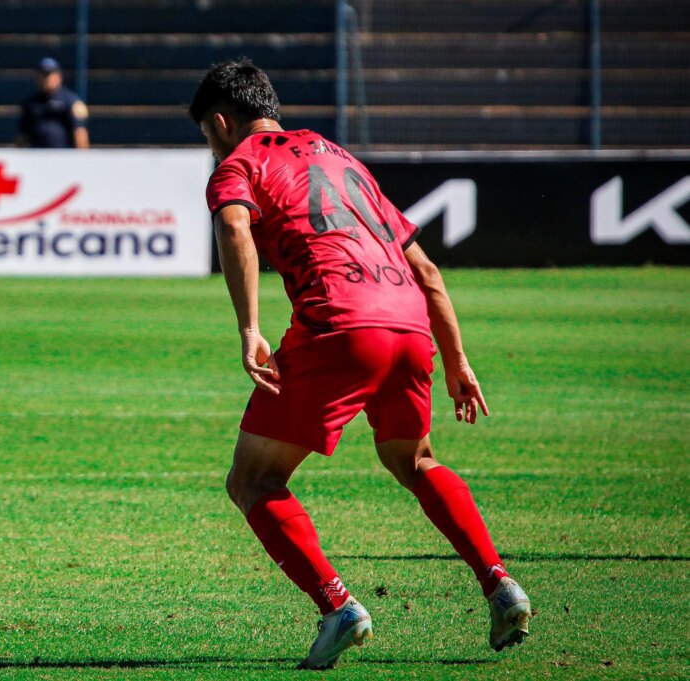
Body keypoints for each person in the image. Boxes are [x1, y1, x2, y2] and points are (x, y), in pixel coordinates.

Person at [190, 59, 530, 670]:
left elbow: (236, 227)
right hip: (409, 325)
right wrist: (457, 358)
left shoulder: (238, 164)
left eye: (207, 136)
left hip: (340, 325)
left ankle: (339, 606)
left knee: (253, 481)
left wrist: (248, 328)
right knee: (416, 459)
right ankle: (500, 583)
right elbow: (425, 269)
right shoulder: (340, 158)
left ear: (220, 121)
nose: (210, 149)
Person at [17, 57, 89, 149]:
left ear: (59, 77)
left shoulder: (70, 101)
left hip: (63, 157)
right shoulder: (30, 104)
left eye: (48, 75)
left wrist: (81, 159)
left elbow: (80, 133)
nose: (45, 79)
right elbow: (23, 135)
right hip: (36, 157)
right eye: (42, 75)